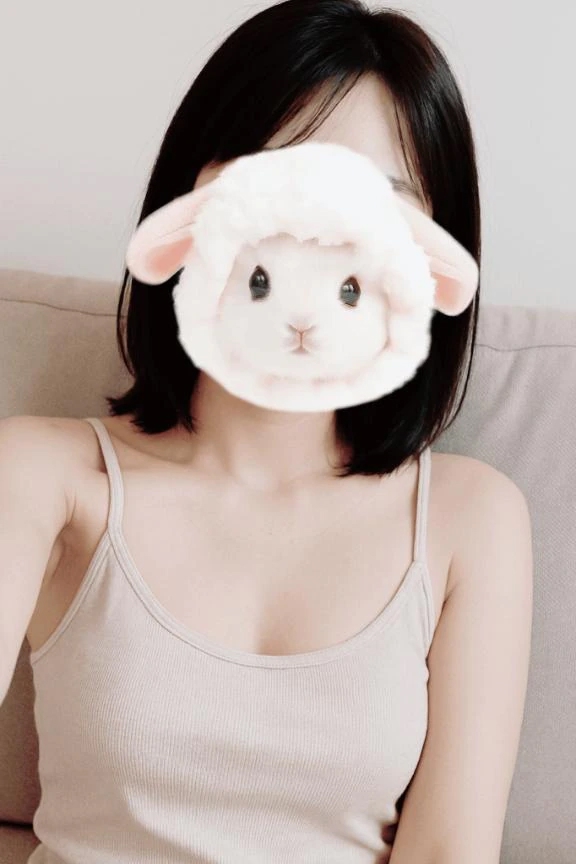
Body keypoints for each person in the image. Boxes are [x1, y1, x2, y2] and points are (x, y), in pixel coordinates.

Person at [0, 2, 533, 863]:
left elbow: (448, 851)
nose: (312, 245)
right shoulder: (43, 475)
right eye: (278, 188)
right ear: (193, 214)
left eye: (370, 207)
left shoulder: (470, 519)